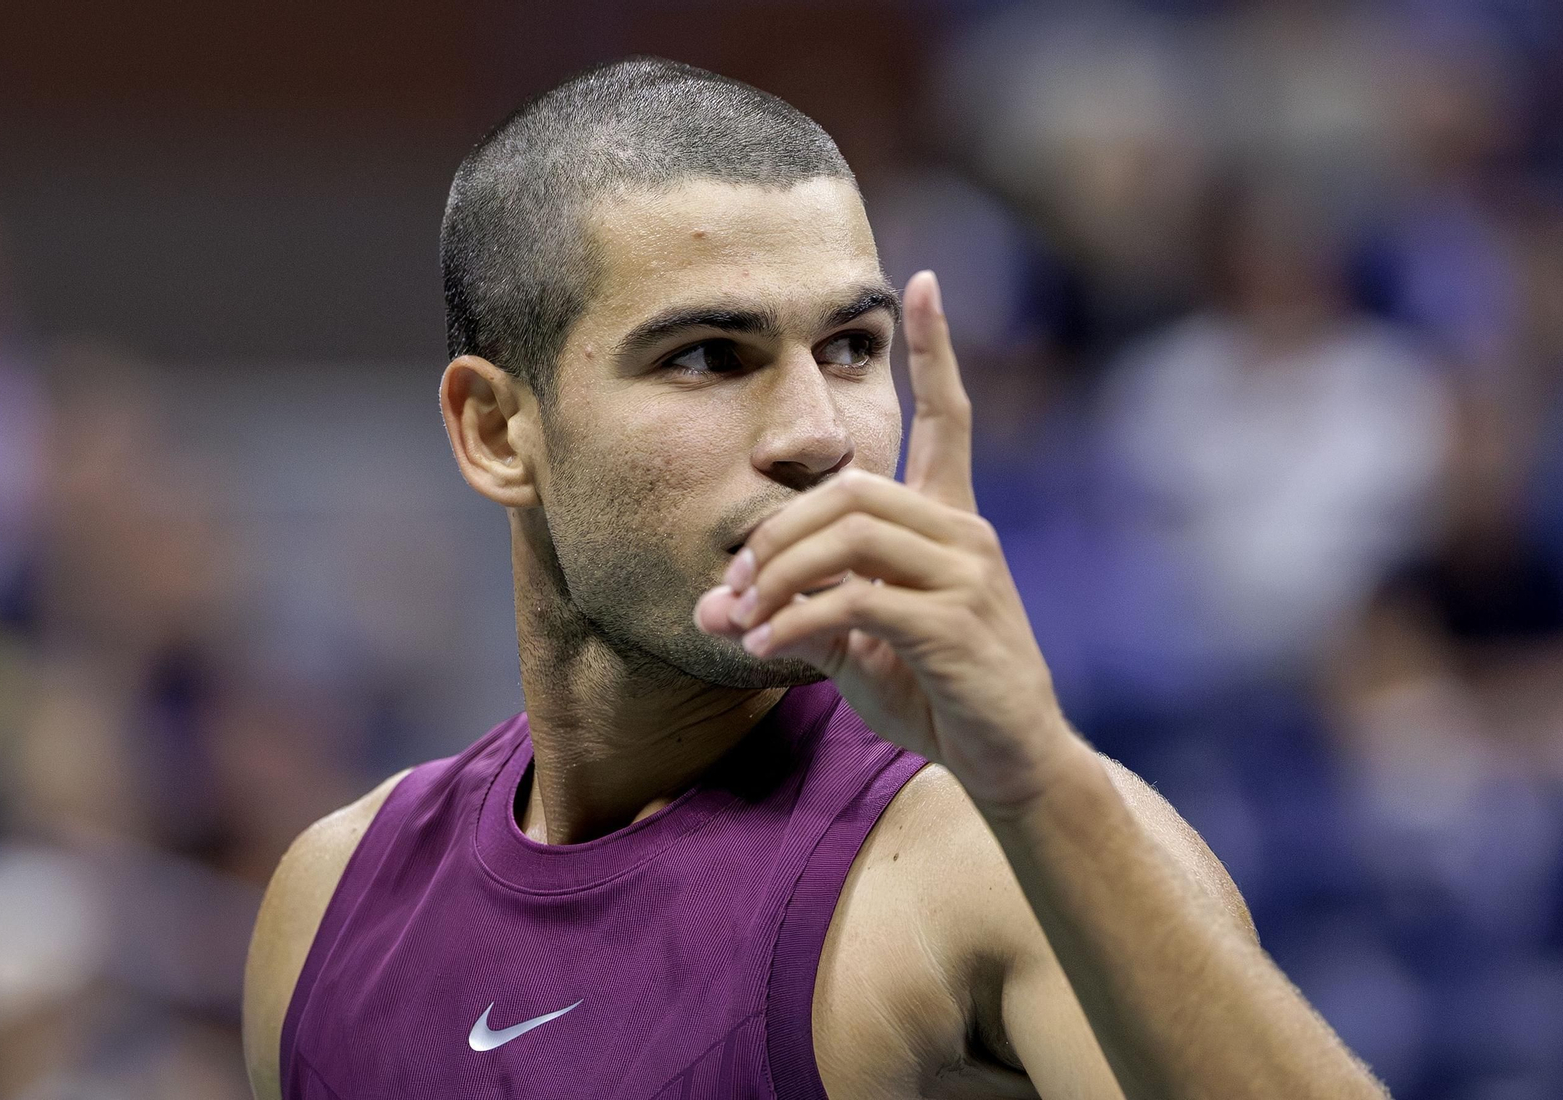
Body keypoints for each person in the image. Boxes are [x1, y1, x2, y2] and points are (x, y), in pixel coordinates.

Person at [242, 57, 1389, 1098]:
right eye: (709, 355)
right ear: (497, 429)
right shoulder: (331, 901)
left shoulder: (987, 859)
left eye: (849, 347)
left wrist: (1038, 779)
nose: (818, 433)